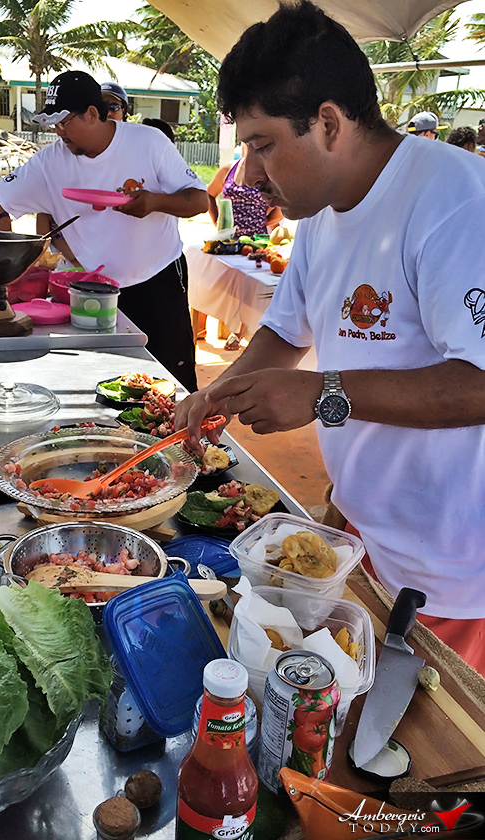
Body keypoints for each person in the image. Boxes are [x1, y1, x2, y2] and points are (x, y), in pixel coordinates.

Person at [175, 0, 485, 675]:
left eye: (261, 145)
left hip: (454, 567)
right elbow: (286, 331)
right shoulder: (322, 215)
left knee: (419, 759)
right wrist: (217, 394)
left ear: (328, 123)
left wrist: (323, 394)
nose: (249, 176)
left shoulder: (453, 202)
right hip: (360, 533)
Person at [0, 71, 208, 392]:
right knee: (106, 381)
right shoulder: (51, 163)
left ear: (92, 113)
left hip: (158, 281)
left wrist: (154, 202)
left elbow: (198, 200)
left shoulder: (148, 143)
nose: (59, 132)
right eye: (53, 124)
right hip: (92, 289)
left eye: (65, 122)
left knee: (169, 379)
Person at [207, 144, 283, 235]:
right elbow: (209, 194)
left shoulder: (268, 173)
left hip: (256, 242)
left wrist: (262, 222)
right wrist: (217, 220)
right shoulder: (228, 169)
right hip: (227, 239)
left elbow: (282, 204)